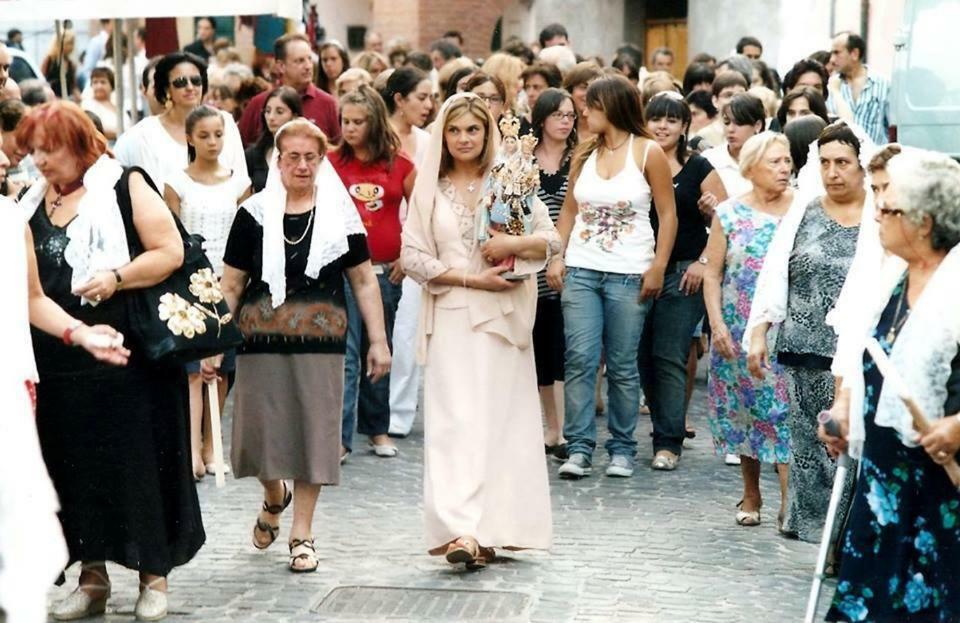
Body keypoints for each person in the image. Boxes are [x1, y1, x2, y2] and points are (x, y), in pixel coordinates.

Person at [18, 101, 204, 621]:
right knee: (72, 470)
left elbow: (168, 250)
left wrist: (118, 277)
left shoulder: (124, 184)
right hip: (60, 361)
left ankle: (154, 578)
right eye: (32, 150)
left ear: (78, 146)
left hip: (129, 359)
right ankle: (92, 578)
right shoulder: (33, 198)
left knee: (137, 465)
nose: (39, 161)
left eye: (48, 150)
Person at [220, 118, 390, 573]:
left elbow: (363, 282)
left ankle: (303, 533)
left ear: (321, 161)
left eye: (310, 157)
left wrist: (378, 341)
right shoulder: (252, 214)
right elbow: (232, 284)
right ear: (277, 161)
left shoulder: (340, 215)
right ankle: (274, 495)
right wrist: (214, 339)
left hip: (322, 339)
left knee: (315, 434)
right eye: (291, 156)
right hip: (260, 339)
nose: (301, 165)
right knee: (257, 436)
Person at [400, 92, 557, 568]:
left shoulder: (510, 181)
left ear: (487, 134)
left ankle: (493, 529)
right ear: (442, 136)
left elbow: (550, 241)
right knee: (455, 423)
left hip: (502, 318)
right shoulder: (429, 187)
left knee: (498, 423)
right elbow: (412, 257)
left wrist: (512, 243)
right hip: (451, 312)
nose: (464, 138)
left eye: (473, 130)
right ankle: (459, 529)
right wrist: (469, 277)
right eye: (455, 130)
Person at [820, 150, 960, 622]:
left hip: (941, 489)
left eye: (891, 207)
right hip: (884, 484)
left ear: (923, 222)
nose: (877, 213)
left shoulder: (956, 281)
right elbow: (871, 355)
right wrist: (844, 411)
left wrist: (959, 426)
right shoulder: (897, 276)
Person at [0, 156, 132, 623]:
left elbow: (32, 298)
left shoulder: (10, 219)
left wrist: (81, 332)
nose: (3, 159)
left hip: (10, 387)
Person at [545, 76, 678, 480]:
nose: (585, 112)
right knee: (580, 359)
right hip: (583, 268)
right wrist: (557, 254)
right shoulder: (583, 153)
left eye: (592, 105)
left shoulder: (647, 152)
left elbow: (668, 214)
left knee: (622, 364)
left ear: (613, 107)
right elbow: (568, 210)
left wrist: (657, 265)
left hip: (629, 272)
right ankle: (580, 447)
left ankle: (622, 448)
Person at [746, 123, 870, 542]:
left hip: (852, 355)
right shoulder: (805, 210)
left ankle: (842, 535)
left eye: (843, 163)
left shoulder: (877, 215)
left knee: (849, 447)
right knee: (806, 448)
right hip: (801, 348)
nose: (834, 172)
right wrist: (761, 330)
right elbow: (775, 271)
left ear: (861, 166)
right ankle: (814, 530)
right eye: (826, 163)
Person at [702, 131, 793, 526]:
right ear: (752, 168)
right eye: (775, 161)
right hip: (737, 327)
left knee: (784, 413)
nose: (785, 168)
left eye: (787, 160)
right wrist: (717, 324)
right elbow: (713, 275)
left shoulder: (802, 210)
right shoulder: (730, 213)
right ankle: (751, 493)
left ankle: (791, 504)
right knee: (744, 412)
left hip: (784, 327)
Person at [638, 91, 728, 471]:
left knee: (670, 355)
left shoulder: (699, 168)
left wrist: (703, 262)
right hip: (638, 272)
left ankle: (668, 441)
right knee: (641, 357)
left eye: (672, 120)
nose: (663, 126)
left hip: (683, 274)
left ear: (684, 126)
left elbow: (726, 222)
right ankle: (664, 424)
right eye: (657, 118)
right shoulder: (636, 164)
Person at [163, 105, 251, 480]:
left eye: (218, 135)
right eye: (204, 136)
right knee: (193, 369)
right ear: (189, 138)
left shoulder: (238, 182)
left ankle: (213, 444)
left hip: (229, 280)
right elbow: (172, 233)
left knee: (223, 367)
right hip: (189, 283)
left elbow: (248, 236)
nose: (213, 142)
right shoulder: (176, 182)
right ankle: (193, 448)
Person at [331, 86, 416, 461]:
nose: (350, 128)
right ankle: (341, 436)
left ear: (375, 122)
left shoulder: (400, 165)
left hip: (384, 271)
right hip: (343, 270)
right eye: (345, 121)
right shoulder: (332, 164)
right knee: (347, 355)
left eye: (358, 122)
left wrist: (409, 255)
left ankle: (377, 429)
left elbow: (424, 214)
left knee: (379, 348)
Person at [381, 66, 434, 438]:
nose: (429, 105)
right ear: (399, 99)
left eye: (432, 97)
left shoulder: (430, 143)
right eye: (422, 97)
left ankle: (399, 411)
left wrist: (412, 248)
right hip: (380, 244)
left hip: (418, 243)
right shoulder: (377, 140)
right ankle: (369, 409)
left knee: (407, 332)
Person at [114, 52, 247, 194]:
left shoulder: (225, 122)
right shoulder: (143, 134)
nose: (190, 87)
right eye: (181, 82)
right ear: (166, 89)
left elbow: (241, 179)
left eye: (196, 81)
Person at [528, 88, 577, 459]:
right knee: (542, 346)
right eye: (559, 114)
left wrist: (562, 253)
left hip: (572, 262)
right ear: (542, 117)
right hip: (531, 264)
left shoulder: (580, 158)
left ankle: (566, 428)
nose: (565, 121)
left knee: (569, 348)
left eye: (571, 115)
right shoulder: (522, 159)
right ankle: (551, 428)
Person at [238, 33, 341, 146]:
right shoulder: (258, 103)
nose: (308, 66)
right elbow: (240, 150)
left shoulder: (327, 103)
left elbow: (338, 153)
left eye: (309, 59)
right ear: (281, 66)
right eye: (300, 61)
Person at [828, 31, 890, 145]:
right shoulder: (831, 86)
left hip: (875, 158)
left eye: (837, 53)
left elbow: (892, 127)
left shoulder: (883, 84)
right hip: (842, 158)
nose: (832, 59)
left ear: (854, 53)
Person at [703, 93, 766, 199]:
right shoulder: (709, 159)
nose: (730, 129)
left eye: (739, 123)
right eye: (727, 122)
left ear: (757, 125)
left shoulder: (772, 159)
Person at [245, 86, 302, 194]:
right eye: (267, 111)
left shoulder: (304, 152)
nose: (271, 117)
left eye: (279, 112)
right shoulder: (253, 154)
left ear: (294, 116)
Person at [694, 72, 748, 149]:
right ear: (715, 101)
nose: (735, 100)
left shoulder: (753, 132)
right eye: (728, 95)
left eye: (740, 95)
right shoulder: (704, 136)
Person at [81, 67, 126, 142]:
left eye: (103, 82)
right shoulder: (87, 105)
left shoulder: (118, 106)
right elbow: (92, 129)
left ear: (111, 85)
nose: (99, 86)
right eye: (95, 82)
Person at [563, 62, 604, 143]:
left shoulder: (605, 130)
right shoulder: (562, 125)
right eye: (583, 88)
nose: (588, 94)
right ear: (570, 91)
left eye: (594, 89)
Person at [41, 30, 79, 100]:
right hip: (51, 99)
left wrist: (78, 96)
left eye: (72, 44)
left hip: (66, 100)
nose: (71, 47)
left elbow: (73, 86)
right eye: (69, 43)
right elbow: (42, 80)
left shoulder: (71, 64)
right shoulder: (49, 60)